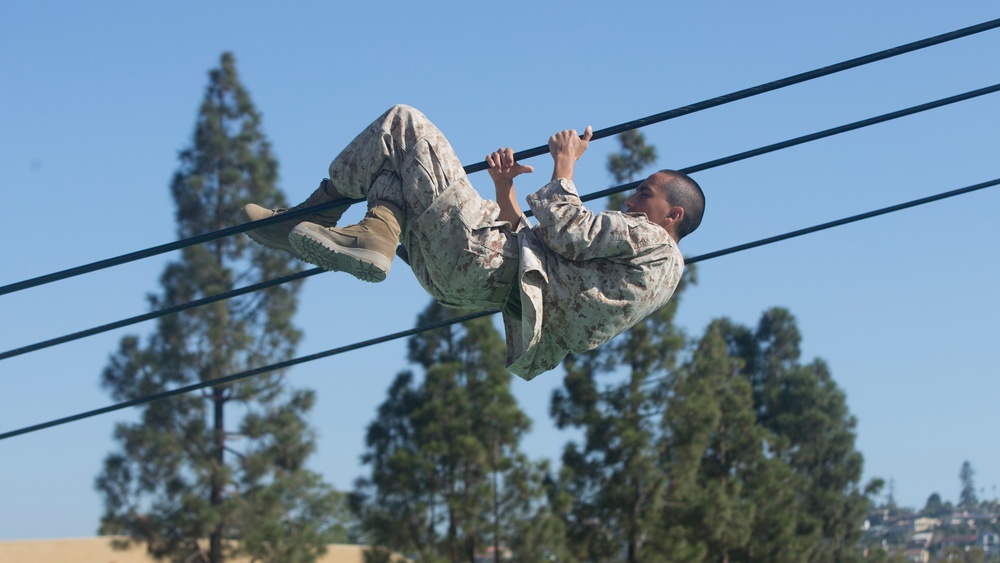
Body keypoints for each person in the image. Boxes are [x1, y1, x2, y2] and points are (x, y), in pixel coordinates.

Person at [238, 105, 704, 380]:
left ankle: (312, 214)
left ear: (674, 214)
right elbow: (548, 265)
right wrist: (506, 193)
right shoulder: (657, 282)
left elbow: (568, 227)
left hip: (479, 252)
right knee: (396, 169)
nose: (631, 198)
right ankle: (374, 234)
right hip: (461, 282)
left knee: (404, 124)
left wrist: (564, 163)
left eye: (645, 192)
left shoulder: (655, 241)